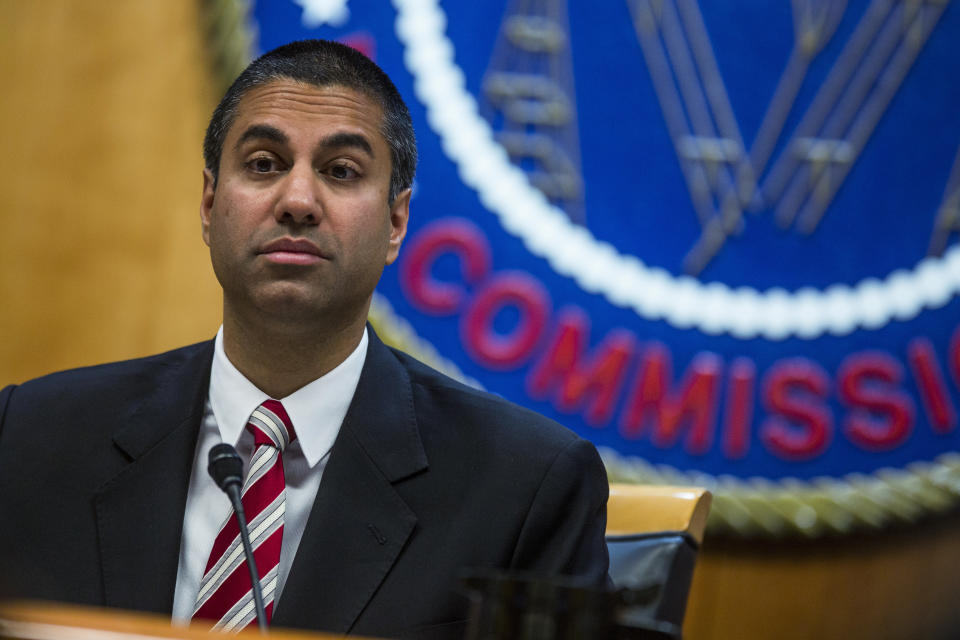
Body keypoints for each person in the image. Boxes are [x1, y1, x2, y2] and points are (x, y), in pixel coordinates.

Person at [0, 39, 609, 639]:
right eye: (264, 163)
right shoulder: (31, 435)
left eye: (341, 171)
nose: (296, 201)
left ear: (397, 223)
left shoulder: (525, 486)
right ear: (210, 204)